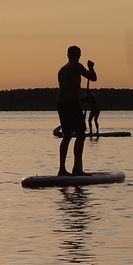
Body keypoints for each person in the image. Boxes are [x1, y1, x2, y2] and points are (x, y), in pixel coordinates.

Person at [57, 46, 99, 176]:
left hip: (61, 103)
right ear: (79, 55)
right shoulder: (76, 66)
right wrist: (91, 67)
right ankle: (76, 168)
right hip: (71, 104)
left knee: (67, 135)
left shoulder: (62, 69)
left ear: (67, 54)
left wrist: (81, 99)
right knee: (81, 135)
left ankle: (62, 169)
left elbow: (68, 90)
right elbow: (93, 77)